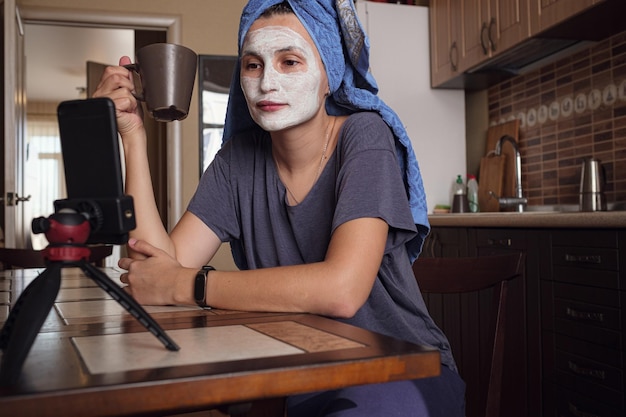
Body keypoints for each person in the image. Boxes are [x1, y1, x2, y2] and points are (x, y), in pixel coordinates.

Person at [94, 0, 465, 415]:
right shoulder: (238, 160)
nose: (268, 82)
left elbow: (341, 291)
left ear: (330, 75)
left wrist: (188, 285)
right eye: (253, 65)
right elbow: (154, 271)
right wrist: (132, 137)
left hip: (397, 371)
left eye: (289, 61)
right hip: (291, 372)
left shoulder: (365, 136)